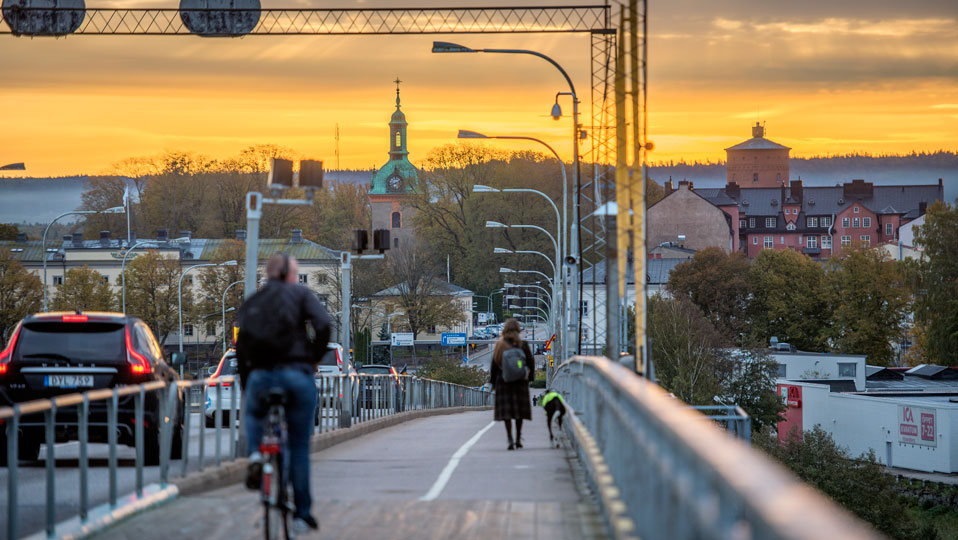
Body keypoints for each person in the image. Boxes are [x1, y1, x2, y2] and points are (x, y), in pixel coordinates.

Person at [236, 252, 331, 533]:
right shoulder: (300, 294)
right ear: (288, 274)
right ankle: (302, 515)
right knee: (299, 446)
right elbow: (324, 324)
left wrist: (248, 383)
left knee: (253, 413)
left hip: (262, 375)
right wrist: (312, 358)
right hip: (297, 375)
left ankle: (254, 455)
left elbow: (242, 348)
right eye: (296, 273)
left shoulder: (253, 301)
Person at [489, 318, 535, 450]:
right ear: (518, 330)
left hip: (503, 381)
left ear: (504, 330)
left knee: (507, 412)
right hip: (520, 381)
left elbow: (494, 365)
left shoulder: (500, 345)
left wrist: (493, 382)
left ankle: (509, 438)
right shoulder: (523, 345)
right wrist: (529, 379)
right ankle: (518, 438)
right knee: (519, 411)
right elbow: (530, 362)